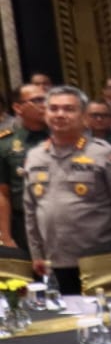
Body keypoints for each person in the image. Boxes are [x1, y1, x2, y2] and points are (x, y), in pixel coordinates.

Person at [23, 86, 111, 295]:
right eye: (53, 109)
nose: (60, 114)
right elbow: (31, 210)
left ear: (84, 117)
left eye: (69, 109)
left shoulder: (105, 154)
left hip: (101, 258)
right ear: (45, 114)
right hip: (54, 259)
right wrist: (36, 254)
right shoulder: (35, 156)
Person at [0, 83, 50, 251]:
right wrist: (6, 237)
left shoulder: (65, 138)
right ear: (18, 108)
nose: (44, 104)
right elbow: (3, 194)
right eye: (37, 100)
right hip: (25, 222)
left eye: (46, 99)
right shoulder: (5, 144)